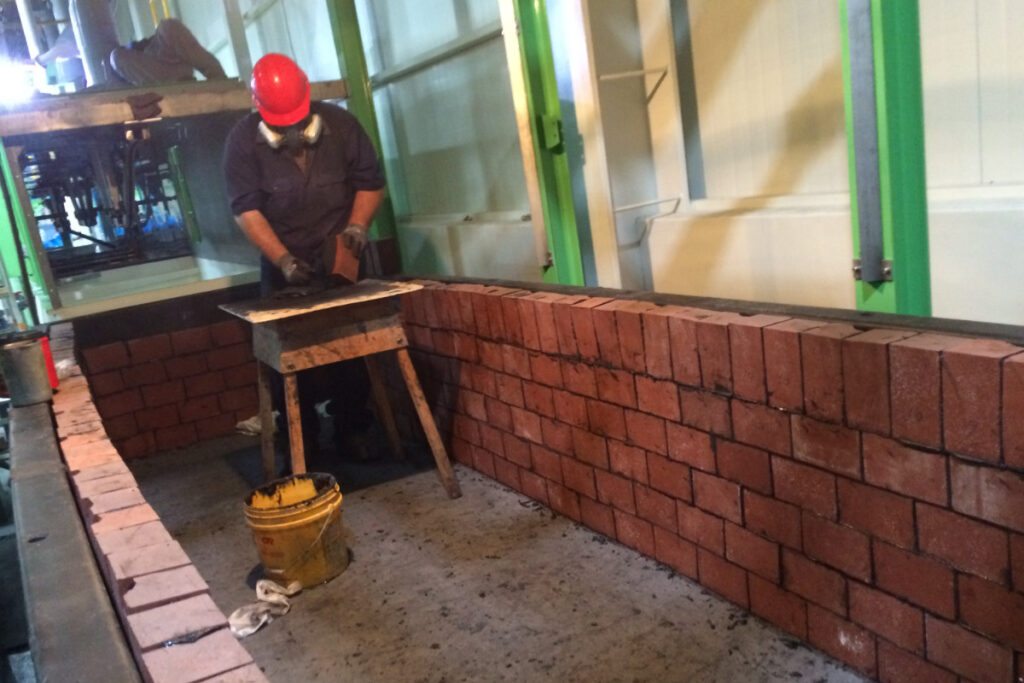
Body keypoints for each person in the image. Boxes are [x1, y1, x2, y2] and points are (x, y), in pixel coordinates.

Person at [222, 53, 385, 464]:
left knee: (351, 349)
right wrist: (283, 261)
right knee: (288, 366)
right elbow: (247, 209)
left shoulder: (343, 126)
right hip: (284, 267)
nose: (293, 132)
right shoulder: (242, 143)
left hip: (340, 255)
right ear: (258, 106)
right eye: (281, 123)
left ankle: (353, 430)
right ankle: (302, 443)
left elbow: (370, 182)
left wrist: (359, 227)